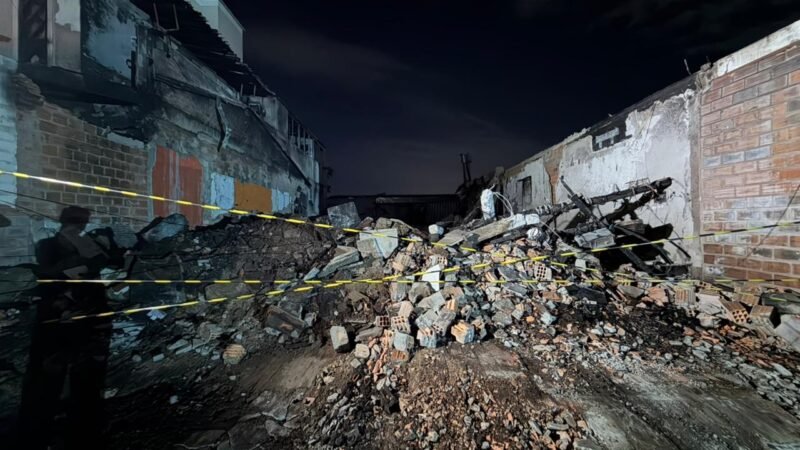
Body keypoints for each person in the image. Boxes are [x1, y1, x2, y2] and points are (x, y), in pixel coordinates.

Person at [17, 206, 113, 449]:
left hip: (87, 309)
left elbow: (101, 261)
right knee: (53, 368)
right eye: (76, 221)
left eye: (81, 222)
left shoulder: (85, 241)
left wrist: (84, 256)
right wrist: (74, 266)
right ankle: (45, 424)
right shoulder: (49, 244)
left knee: (86, 368)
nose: (79, 225)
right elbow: (48, 271)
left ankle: (79, 423)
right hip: (59, 310)